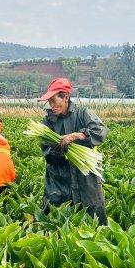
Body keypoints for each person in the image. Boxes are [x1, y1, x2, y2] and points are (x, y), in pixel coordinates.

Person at [38, 77, 108, 225]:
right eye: (49, 102)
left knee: (92, 216)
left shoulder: (83, 113)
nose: (51, 106)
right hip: (58, 179)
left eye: (54, 101)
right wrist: (58, 148)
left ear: (66, 97)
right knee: (56, 220)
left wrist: (78, 135)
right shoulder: (48, 122)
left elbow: (100, 132)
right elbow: (48, 154)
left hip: (85, 176)